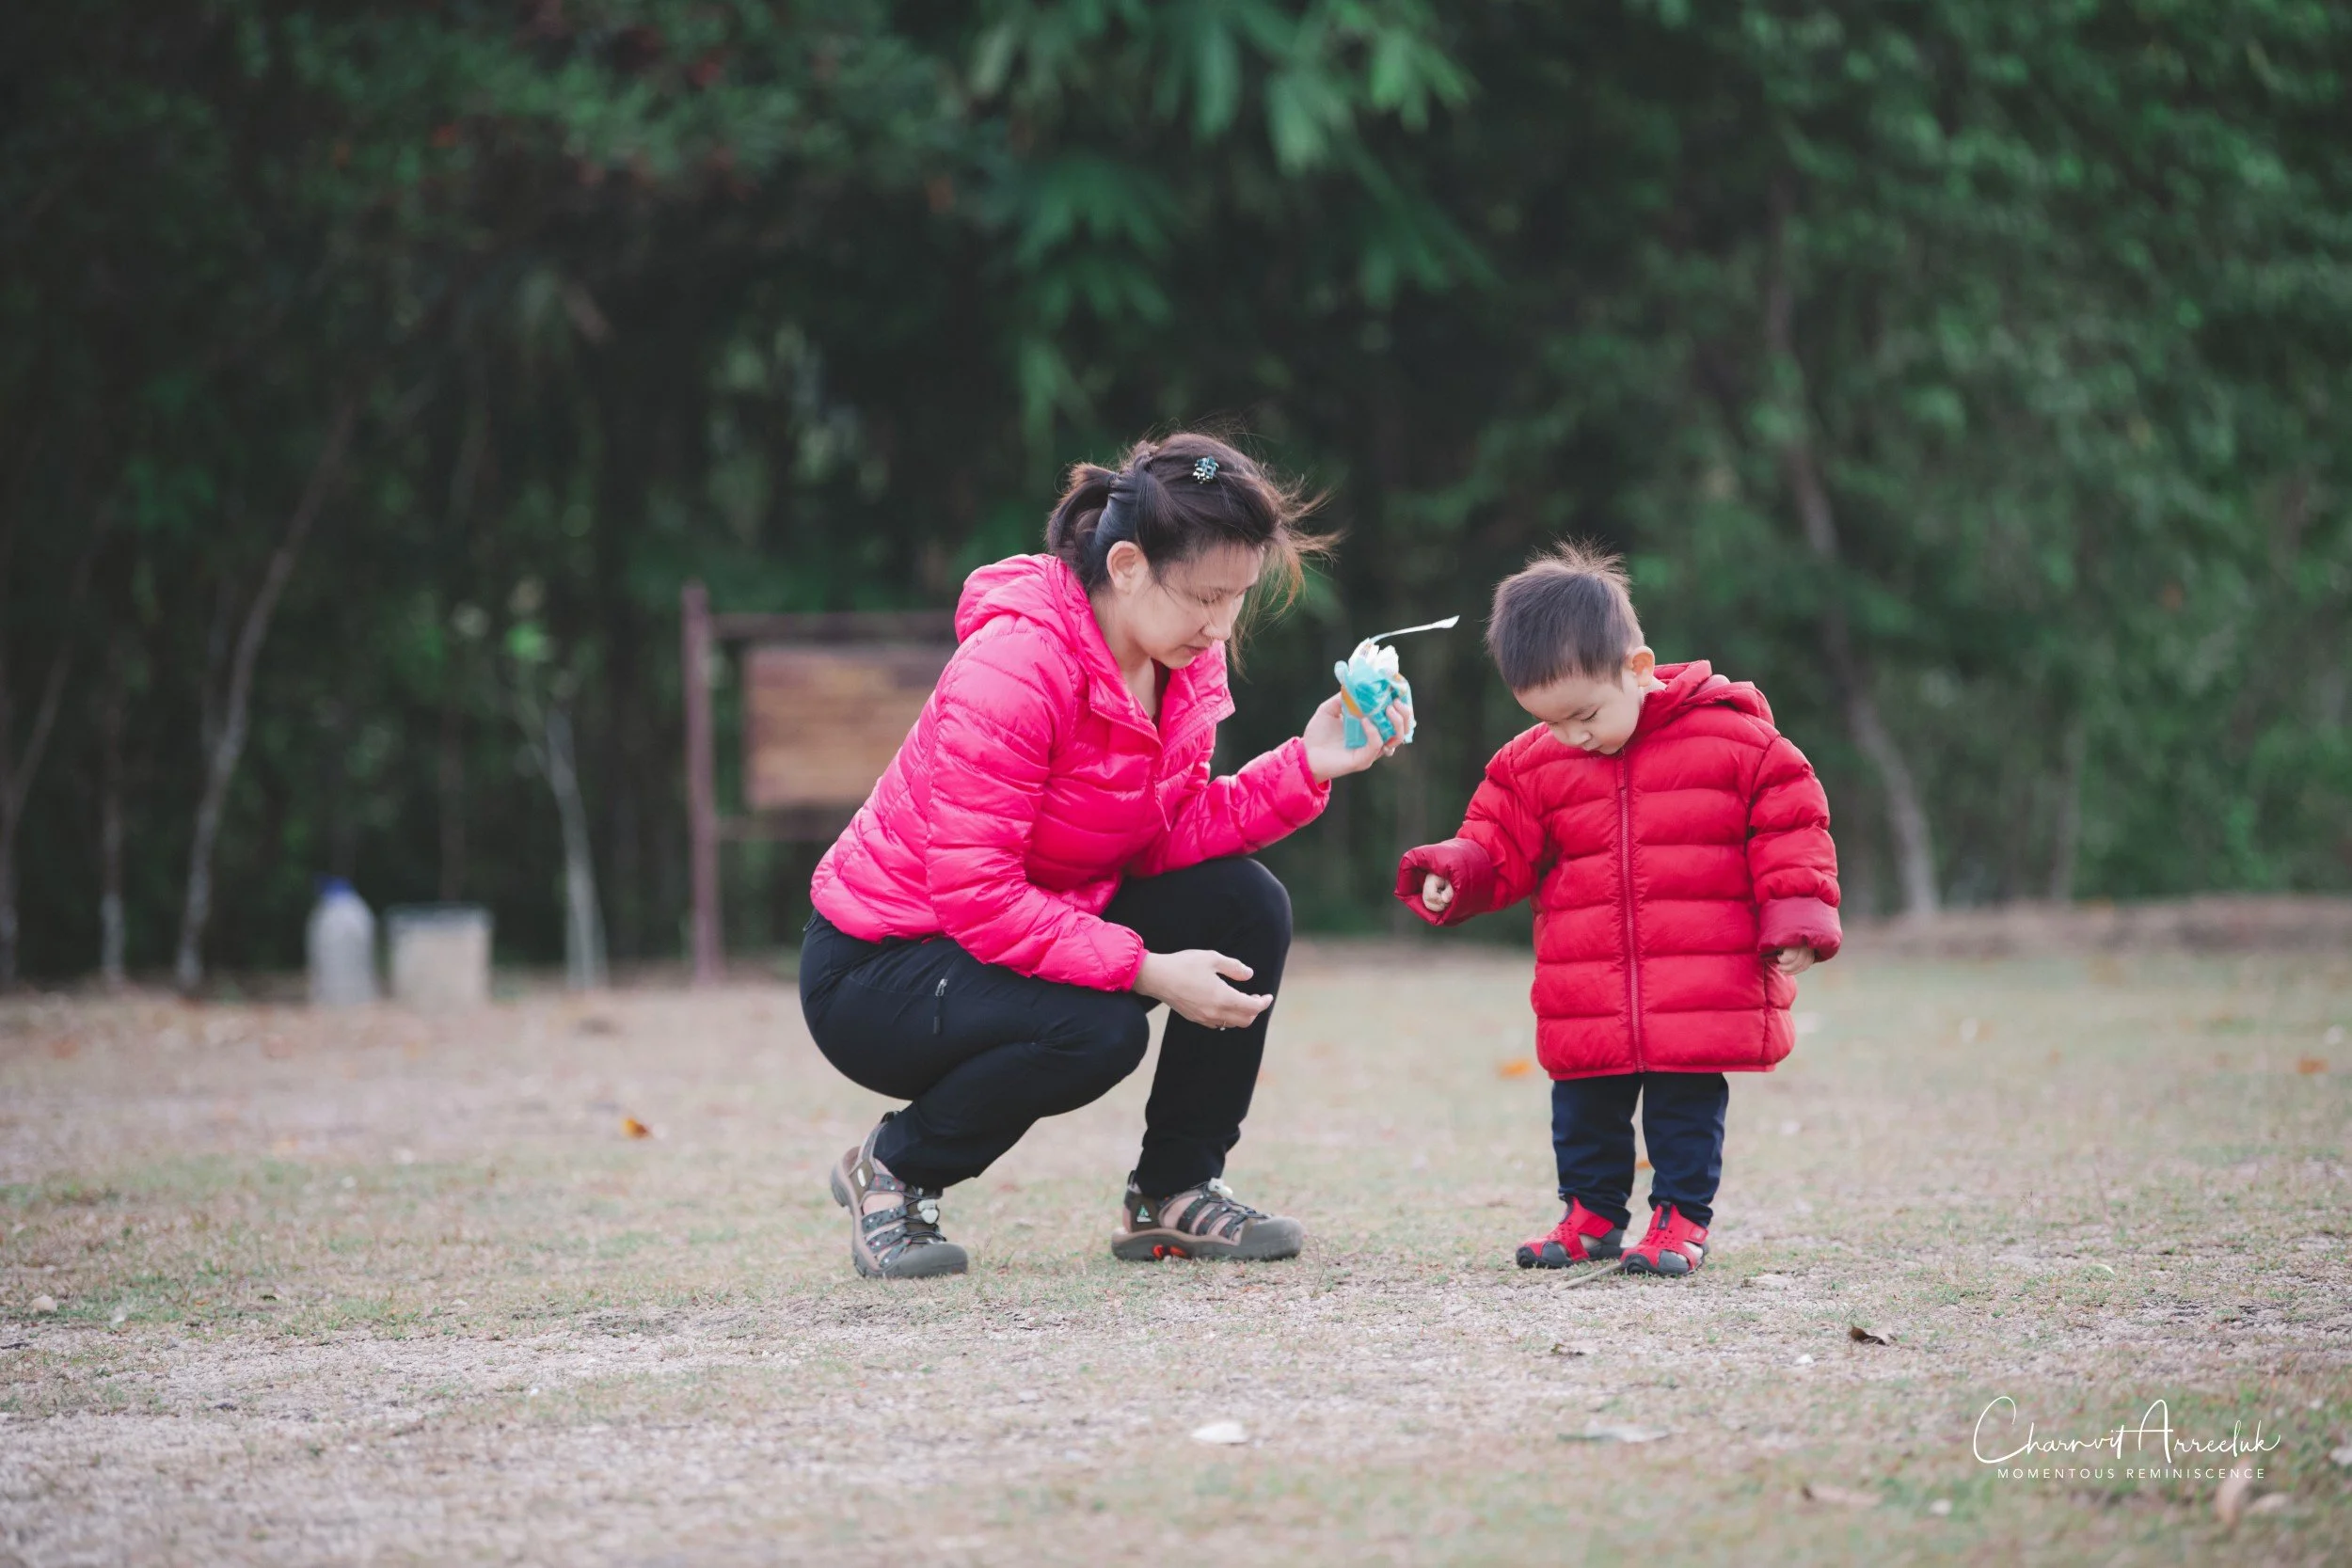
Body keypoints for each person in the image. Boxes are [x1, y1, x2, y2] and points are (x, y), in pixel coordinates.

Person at [801, 433, 1406, 1278]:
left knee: (1246, 904)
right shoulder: (1017, 663)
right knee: (1097, 1029)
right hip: (882, 966)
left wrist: (1306, 765)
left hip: (1037, 919)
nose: (1221, 625)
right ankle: (895, 1168)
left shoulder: (1181, 661)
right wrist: (1148, 968)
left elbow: (1160, 835)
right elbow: (977, 894)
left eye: (1237, 598)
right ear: (1126, 565)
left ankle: (1174, 1192)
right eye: (1205, 597)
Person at [1394, 544, 1840, 1277]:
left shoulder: (1735, 741)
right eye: (1551, 721)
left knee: (1683, 1106)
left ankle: (1680, 1218)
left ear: (1637, 668)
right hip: (1587, 979)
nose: (1572, 736)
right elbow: (1496, 840)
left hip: (1697, 976)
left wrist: (1795, 912)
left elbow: (1790, 819)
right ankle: (1591, 1214)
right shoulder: (1533, 764)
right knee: (1583, 1108)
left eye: (1585, 715)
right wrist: (1453, 871)